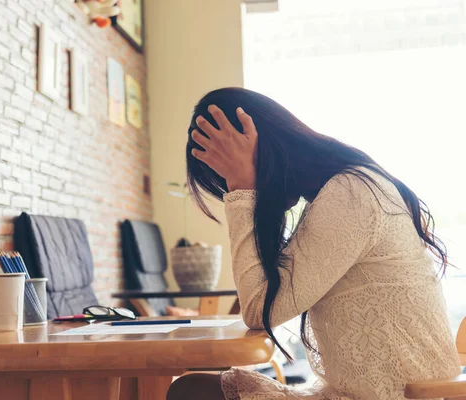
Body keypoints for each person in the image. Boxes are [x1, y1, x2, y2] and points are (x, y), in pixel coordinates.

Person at [167, 88, 460, 400]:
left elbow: (257, 310)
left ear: (262, 147)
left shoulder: (350, 194)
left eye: (229, 173)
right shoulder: (345, 189)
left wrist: (242, 189)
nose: (230, 185)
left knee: (191, 392)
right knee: (192, 389)